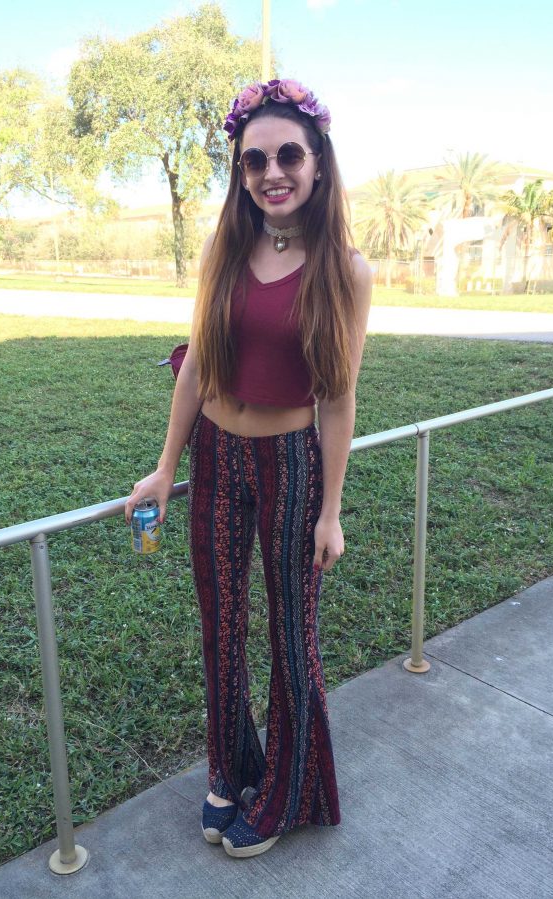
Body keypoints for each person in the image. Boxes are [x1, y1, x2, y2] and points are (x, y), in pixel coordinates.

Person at [124, 77, 372, 859]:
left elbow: (337, 399)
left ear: (318, 163)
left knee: (289, 634)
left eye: (288, 155)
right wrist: (166, 468)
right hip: (218, 455)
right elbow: (198, 363)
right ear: (240, 170)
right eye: (254, 159)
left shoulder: (346, 270)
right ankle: (233, 767)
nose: (272, 172)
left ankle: (293, 791)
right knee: (220, 626)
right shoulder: (223, 248)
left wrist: (330, 509)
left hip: (292, 461)